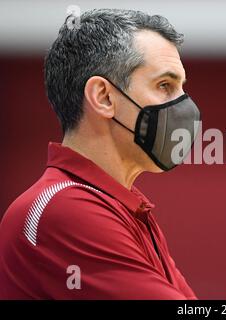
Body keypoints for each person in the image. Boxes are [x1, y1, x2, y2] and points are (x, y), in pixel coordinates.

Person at [0, 8, 200, 299]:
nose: (185, 105)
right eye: (165, 86)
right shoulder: (64, 210)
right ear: (104, 97)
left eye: (182, 89)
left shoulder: (127, 208)